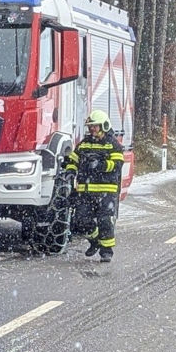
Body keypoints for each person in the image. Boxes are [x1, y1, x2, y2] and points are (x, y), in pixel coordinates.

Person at [65, 109, 123, 263]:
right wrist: (70, 171)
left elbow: (117, 165)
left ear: (103, 126)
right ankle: (95, 240)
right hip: (85, 191)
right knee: (81, 220)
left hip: (106, 190)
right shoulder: (84, 144)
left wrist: (100, 164)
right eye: (90, 127)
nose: (92, 129)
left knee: (105, 220)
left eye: (95, 126)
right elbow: (73, 160)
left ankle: (106, 251)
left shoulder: (113, 145)